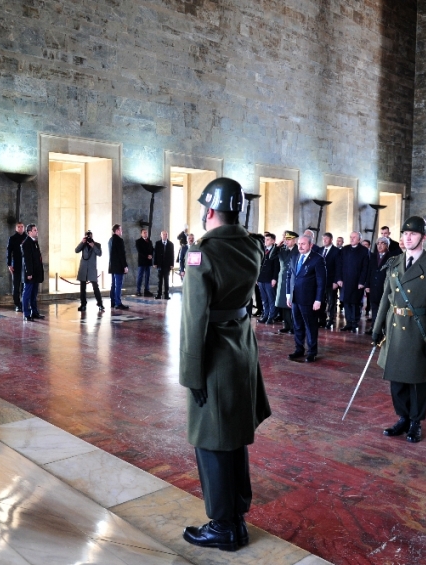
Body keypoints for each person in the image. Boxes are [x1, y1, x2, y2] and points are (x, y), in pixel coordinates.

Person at [179, 177, 271, 551]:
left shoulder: (203, 252)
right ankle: (237, 518)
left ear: (211, 210)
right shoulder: (252, 247)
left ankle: (223, 526)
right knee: (232, 438)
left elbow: (194, 319)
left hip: (213, 354)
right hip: (241, 350)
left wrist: (190, 372)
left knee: (210, 441)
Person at [372, 216, 426, 443]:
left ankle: (416, 421)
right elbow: (386, 298)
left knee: (416, 380)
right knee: (396, 379)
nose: (408, 237)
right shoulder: (394, 263)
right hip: (395, 331)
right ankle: (402, 417)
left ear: (423, 237)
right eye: (405, 234)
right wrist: (377, 329)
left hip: (417, 331)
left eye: (413, 234)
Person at [286, 233, 326, 362]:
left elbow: (321, 282)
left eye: (303, 244)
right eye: (299, 244)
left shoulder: (317, 259)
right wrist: (288, 295)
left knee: (310, 326)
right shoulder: (294, 257)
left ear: (310, 245)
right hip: (295, 298)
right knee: (297, 325)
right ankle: (299, 349)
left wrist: (318, 299)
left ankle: (312, 352)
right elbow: (289, 277)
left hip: (309, 299)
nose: (300, 246)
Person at [364, 237, 399, 335]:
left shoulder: (392, 257)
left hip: (385, 288)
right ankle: (374, 327)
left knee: (384, 309)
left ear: (387, 245)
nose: (379, 245)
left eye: (382, 243)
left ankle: (383, 329)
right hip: (374, 288)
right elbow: (369, 271)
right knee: (374, 309)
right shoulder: (373, 257)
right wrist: (367, 285)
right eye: (378, 243)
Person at [336, 231, 369, 332]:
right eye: (351, 237)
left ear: (359, 239)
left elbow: (365, 267)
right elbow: (340, 265)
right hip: (345, 280)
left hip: (357, 282)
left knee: (355, 303)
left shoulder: (364, 250)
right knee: (346, 302)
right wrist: (339, 279)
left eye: (354, 237)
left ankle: (354, 323)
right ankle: (348, 322)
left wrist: (362, 282)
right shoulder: (345, 249)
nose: (352, 239)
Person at [274, 231, 298, 334]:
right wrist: (277, 247)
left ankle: (294, 326)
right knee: (283, 304)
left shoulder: (298, 250)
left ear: (294, 240)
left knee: (291, 304)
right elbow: (271, 256)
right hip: (283, 279)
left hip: (293, 279)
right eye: (285, 239)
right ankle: (287, 325)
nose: (286, 241)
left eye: (288, 239)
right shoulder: (282, 250)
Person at [21, 224, 45, 321]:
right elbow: (27, 260)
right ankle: (26, 314)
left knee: (34, 294)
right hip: (30, 274)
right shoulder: (26, 243)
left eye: (36, 230)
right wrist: (29, 273)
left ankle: (34, 312)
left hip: (36, 273)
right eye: (35, 230)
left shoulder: (34, 242)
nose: (37, 231)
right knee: (27, 294)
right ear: (29, 232)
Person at [75, 230, 104, 312]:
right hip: (83, 269)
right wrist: (82, 242)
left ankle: (100, 303)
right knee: (82, 288)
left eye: (90, 236)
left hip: (91, 269)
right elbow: (76, 250)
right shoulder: (83, 245)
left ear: (92, 236)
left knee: (95, 287)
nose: (89, 238)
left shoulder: (97, 245)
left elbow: (99, 253)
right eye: (87, 236)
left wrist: (93, 245)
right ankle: (83, 304)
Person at [318, 232, 340, 329]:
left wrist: (336, 281)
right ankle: (322, 320)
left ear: (331, 239)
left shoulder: (336, 251)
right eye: (323, 238)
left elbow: (338, 267)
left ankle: (330, 320)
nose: (324, 240)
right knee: (321, 301)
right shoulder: (320, 250)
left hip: (331, 281)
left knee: (331, 301)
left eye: (326, 238)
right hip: (320, 281)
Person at [257, 232, 280, 324]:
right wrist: (257, 278)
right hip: (261, 278)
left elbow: (276, 267)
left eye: (268, 240)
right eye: (265, 239)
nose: (265, 241)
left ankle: (271, 316)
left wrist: (274, 278)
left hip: (270, 279)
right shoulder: (263, 250)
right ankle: (265, 315)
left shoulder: (276, 251)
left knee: (271, 299)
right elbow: (259, 265)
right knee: (264, 299)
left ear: (273, 241)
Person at [108, 224, 129, 310]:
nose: (121, 231)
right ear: (117, 231)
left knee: (113, 285)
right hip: (118, 266)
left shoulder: (110, 240)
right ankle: (118, 303)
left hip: (112, 266)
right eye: (120, 230)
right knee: (118, 285)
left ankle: (113, 302)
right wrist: (125, 266)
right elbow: (121, 254)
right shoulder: (119, 240)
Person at [6, 222, 26, 312]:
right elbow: (9, 252)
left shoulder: (27, 238)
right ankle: (17, 304)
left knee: (24, 286)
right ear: (16, 228)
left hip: (26, 266)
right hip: (16, 265)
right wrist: (9, 264)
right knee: (16, 285)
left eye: (22, 227)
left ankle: (24, 303)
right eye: (19, 227)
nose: (20, 228)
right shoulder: (12, 238)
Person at [154, 230, 174, 299]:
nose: (165, 236)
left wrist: (172, 264)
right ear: (161, 235)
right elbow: (155, 254)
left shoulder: (170, 244)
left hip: (167, 265)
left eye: (166, 234)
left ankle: (166, 294)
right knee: (159, 280)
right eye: (164, 234)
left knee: (166, 280)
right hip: (160, 264)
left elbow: (172, 255)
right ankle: (159, 294)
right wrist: (155, 263)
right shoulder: (158, 243)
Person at [135, 228, 154, 297]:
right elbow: (140, 251)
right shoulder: (138, 241)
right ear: (141, 234)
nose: (146, 234)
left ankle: (147, 290)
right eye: (144, 232)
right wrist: (147, 256)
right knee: (140, 276)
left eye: (146, 232)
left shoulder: (149, 241)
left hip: (148, 262)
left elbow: (152, 249)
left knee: (147, 276)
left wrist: (151, 255)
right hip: (142, 261)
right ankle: (138, 291)